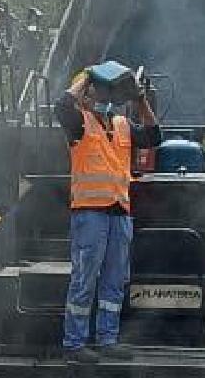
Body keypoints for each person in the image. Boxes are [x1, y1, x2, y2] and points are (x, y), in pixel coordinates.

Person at [55, 62, 162, 364]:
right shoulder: (78, 124)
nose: (100, 96)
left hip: (118, 212)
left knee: (115, 280)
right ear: (86, 94)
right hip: (89, 213)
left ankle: (107, 339)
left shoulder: (120, 124)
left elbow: (154, 137)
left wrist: (140, 100)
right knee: (85, 277)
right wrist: (88, 77)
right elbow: (62, 104)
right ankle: (74, 344)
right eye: (93, 91)